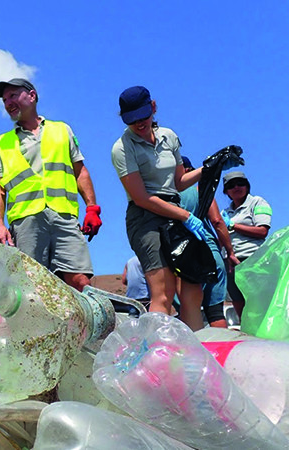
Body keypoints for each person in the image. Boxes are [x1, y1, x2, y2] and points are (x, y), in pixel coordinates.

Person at [111, 86, 217, 331]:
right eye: (132, 120)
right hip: (146, 218)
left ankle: (195, 351)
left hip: (175, 211)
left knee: (192, 289)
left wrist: (209, 168)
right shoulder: (121, 148)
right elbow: (142, 199)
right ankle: (154, 356)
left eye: (144, 116)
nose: (139, 123)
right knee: (163, 292)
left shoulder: (169, 136)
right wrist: (186, 216)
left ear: (154, 107)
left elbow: (179, 182)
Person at [0, 78, 102, 292]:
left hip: (64, 216)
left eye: (13, 96)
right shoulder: (2, 143)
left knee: (80, 282)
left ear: (31, 95)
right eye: (4, 100)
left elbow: (80, 171)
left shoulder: (62, 130)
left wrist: (92, 208)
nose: (8, 103)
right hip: (26, 222)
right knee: (31, 287)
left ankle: (80, 326)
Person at [180, 156, 239, 328]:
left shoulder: (166, 195)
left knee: (188, 311)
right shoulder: (200, 190)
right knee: (215, 312)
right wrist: (230, 252)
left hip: (181, 259)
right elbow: (217, 222)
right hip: (209, 254)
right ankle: (219, 353)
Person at [221, 171, 272, 318]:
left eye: (240, 183)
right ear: (226, 192)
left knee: (256, 301)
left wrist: (232, 225)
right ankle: (246, 331)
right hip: (230, 262)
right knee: (236, 297)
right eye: (231, 185)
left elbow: (262, 231)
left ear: (247, 186)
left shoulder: (258, 202)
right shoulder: (225, 212)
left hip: (252, 259)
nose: (236, 187)